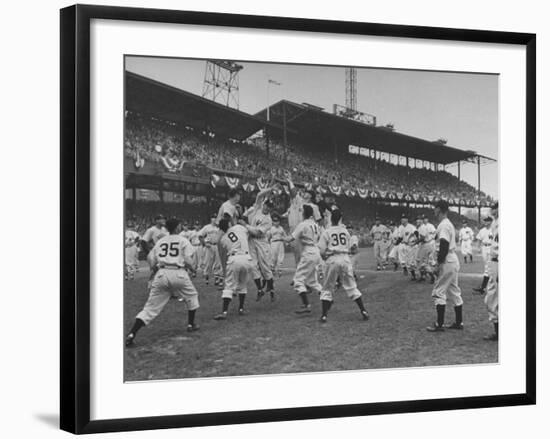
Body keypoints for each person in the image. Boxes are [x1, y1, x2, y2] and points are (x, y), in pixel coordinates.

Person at [125, 218, 200, 347]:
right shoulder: (183, 240)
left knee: (150, 308)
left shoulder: (161, 241)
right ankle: (191, 324)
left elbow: (151, 259)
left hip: (162, 273)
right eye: (180, 226)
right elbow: (188, 260)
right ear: (177, 228)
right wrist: (193, 269)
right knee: (192, 296)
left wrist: (154, 270)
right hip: (178, 272)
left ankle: (132, 333)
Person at [317, 209, 370, 323]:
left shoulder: (327, 231)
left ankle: (324, 315)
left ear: (331, 219)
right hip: (345, 259)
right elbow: (353, 249)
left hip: (333, 259)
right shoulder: (345, 231)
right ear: (340, 219)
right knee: (351, 286)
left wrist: (325, 258)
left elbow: (321, 251)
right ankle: (363, 310)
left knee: (327, 287)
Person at [427, 200, 464, 332]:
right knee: (454, 291)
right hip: (452, 260)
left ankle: (439, 324)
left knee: (439, 291)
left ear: (439, 209)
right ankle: (459, 322)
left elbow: (443, 245)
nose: (434, 210)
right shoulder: (448, 223)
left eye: (435, 208)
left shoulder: (443, 225)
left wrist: (438, 264)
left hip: (446, 260)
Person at [285, 204, 322, 314]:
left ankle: (307, 305)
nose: (301, 214)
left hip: (308, 252)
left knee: (298, 281)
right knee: (312, 281)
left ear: (305, 213)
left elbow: (290, 238)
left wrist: (280, 238)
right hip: (316, 252)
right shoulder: (315, 225)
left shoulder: (302, 224)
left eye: (302, 212)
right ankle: (327, 298)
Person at [213, 218, 253, 320]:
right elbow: (248, 233)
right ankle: (241, 309)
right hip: (247, 258)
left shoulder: (223, 238)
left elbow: (224, 246)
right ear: (229, 223)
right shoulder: (239, 227)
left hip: (234, 259)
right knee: (242, 284)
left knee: (229, 286)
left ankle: (224, 312)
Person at [243, 188, 276, 301]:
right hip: (251, 240)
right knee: (252, 265)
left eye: (269, 207)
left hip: (261, 241)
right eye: (266, 205)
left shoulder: (268, 220)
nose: (266, 207)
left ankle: (272, 291)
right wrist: (270, 189)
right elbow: (259, 195)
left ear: (271, 209)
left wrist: (245, 226)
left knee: (265, 267)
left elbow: (257, 232)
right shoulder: (258, 209)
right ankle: (260, 290)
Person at [483, 203, 499, 341]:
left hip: (499, 261)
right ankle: (498, 331)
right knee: (492, 297)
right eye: (492, 208)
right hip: (493, 260)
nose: (493, 210)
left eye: (496, 208)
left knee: (494, 297)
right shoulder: (495, 223)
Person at [198, 214, 223, 286]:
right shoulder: (207, 227)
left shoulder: (219, 227)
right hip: (209, 245)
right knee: (207, 262)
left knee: (218, 262)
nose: (214, 219)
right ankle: (206, 277)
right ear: (211, 219)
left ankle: (217, 278)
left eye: (216, 217)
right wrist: (204, 244)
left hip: (217, 245)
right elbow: (200, 235)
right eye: (213, 217)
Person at [473, 216, 494, 294]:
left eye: (487, 221)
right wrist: (478, 248)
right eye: (485, 221)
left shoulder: (494, 229)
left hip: (492, 247)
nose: (485, 222)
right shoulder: (482, 230)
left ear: (491, 222)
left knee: (488, 267)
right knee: (487, 266)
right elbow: (479, 239)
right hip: (484, 248)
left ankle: (483, 287)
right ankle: (485, 287)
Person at [416, 215, 436, 283]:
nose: (418, 220)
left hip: (425, 245)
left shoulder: (422, 227)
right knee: (421, 261)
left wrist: (415, 242)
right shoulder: (421, 227)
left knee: (423, 263)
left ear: (421, 221)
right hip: (426, 245)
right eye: (417, 219)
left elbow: (422, 238)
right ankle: (423, 276)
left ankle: (432, 275)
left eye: (419, 219)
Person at [268, 214, 287, 278]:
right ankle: (272, 269)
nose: (276, 222)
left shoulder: (281, 228)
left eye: (278, 221)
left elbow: (285, 236)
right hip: (273, 243)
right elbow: (268, 237)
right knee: (273, 257)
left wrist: (286, 242)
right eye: (275, 221)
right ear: (273, 222)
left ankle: (279, 270)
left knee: (280, 257)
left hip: (280, 243)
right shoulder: (271, 228)